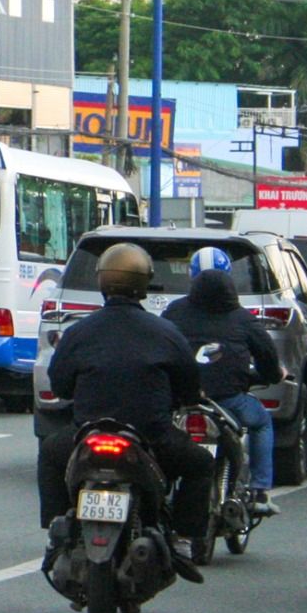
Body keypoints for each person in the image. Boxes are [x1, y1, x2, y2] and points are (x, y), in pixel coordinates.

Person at [37, 242, 212, 573]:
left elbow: (59, 384)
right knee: (201, 463)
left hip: (88, 434)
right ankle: (184, 539)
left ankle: (55, 530)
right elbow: (189, 386)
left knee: (49, 452)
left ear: (103, 281)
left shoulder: (79, 331)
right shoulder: (166, 331)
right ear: (143, 282)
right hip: (152, 438)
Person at [162, 246, 285, 516]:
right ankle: (260, 490)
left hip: (182, 400)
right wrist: (274, 375)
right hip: (229, 400)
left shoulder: (174, 312)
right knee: (262, 422)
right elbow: (268, 357)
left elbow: (159, 347)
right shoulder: (242, 318)